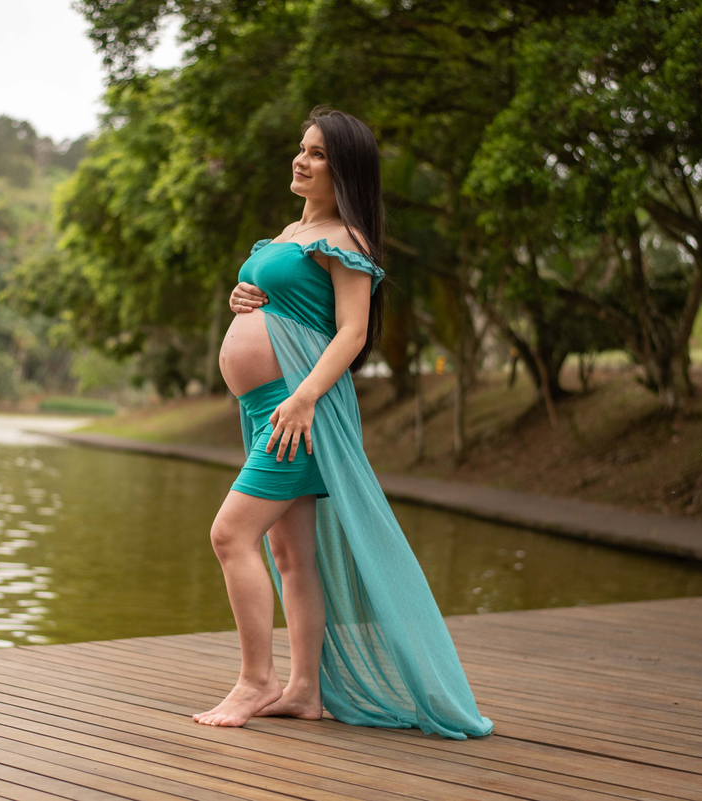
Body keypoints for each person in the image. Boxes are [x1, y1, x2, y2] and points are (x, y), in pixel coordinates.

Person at [193, 105, 493, 740]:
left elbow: (353, 332)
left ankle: (257, 680)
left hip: (297, 412)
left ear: (346, 170)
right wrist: (241, 299)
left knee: (229, 536)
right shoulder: (288, 233)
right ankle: (304, 690)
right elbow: (282, 303)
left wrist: (303, 397)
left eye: (320, 154)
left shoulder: (348, 239)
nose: (302, 161)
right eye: (302, 149)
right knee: (289, 554)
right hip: (264, 407)